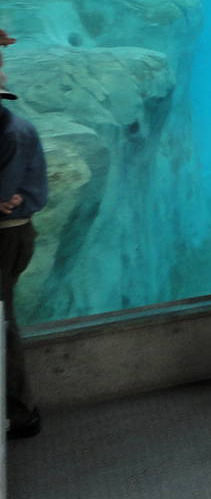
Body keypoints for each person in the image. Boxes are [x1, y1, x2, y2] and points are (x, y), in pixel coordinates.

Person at [0, 29, 46, 440]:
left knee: (1, 320)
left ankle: (20, 411)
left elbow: (3, 198)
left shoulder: (13, 133)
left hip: (7, 236)